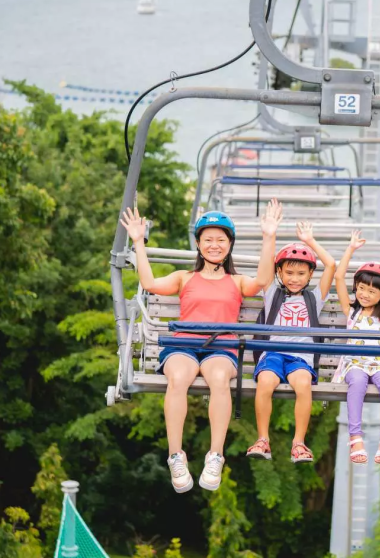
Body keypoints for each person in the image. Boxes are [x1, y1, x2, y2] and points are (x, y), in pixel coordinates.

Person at [120, 200, 281, 493]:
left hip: (220, 348)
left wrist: (269, 236)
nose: (214, 245)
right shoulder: (185, 278)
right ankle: (175, 455)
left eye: (221, 240)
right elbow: (149, 282)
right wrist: (137, 242)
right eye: (208, 240)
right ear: (198, 244)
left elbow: (263, 280)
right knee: (178, 378)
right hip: (184, 346)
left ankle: (215, 455)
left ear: (229, 245)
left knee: (219, 379)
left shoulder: (237, 281)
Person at [246, 222, 335, 463]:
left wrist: (309, 240)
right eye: (289, 273)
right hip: (273, 354)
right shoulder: (272, 293)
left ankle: (299, 442)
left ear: (309, 276)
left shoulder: (314, 298)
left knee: (303, 385)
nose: (294, 279)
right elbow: (265, 269)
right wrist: (270, 235)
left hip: (301, 357)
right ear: (280, 273)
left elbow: (332, 265)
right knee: (265, 382)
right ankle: (263, 439)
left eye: (301, 274)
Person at [332, 231, 380, 466]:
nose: (364, 294)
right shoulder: (352, 311)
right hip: (355, 364)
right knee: (356, 383)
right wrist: (351, 248)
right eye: (361, 288)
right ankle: (355, 437)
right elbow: (338, 278)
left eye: (372, 291)